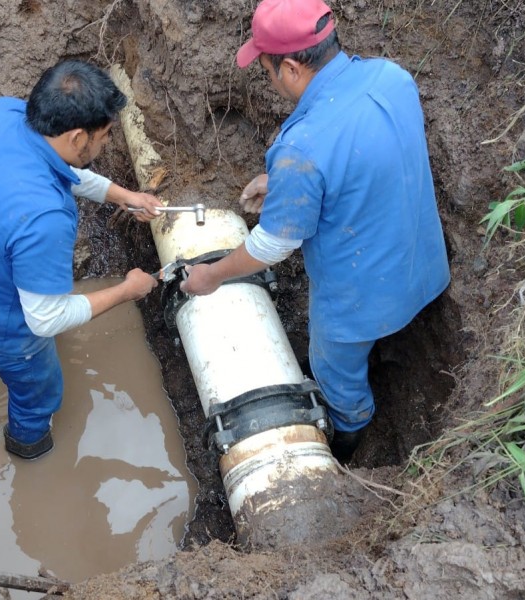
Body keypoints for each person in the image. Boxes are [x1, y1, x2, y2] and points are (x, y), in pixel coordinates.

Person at [180, 0, 450, 462]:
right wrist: (284, 185)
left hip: (358, 305)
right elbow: (368, 158)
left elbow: (274, 245)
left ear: (289, 67)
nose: (269, 79)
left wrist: (213, 276)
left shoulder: (301, 146)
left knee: (338, 381)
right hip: (423, 268)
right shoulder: (392, 77)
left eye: (265, 69)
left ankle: (347, 445)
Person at [0, 60, 164, 460]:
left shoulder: (1, 114)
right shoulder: (44, 219)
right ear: (78, 137)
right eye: (106, 135)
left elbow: (58, 170)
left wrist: (125, 196)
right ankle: (28, 448)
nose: (108, 143)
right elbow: (46, 319)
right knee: (40, 392)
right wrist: (127, 290)